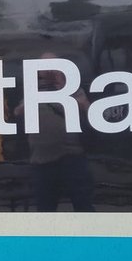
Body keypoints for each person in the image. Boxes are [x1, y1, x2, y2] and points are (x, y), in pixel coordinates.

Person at [14, 54, 94, 212]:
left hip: (72, 158)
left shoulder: (71, 88)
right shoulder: (32, 90)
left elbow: (89, 109)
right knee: (45, 211)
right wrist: (34, 99)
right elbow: (18, 112)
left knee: (83, 207)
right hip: (41, 161)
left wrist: (62, 88)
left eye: (53, 64)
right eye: (44, 66)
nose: (49, 69)